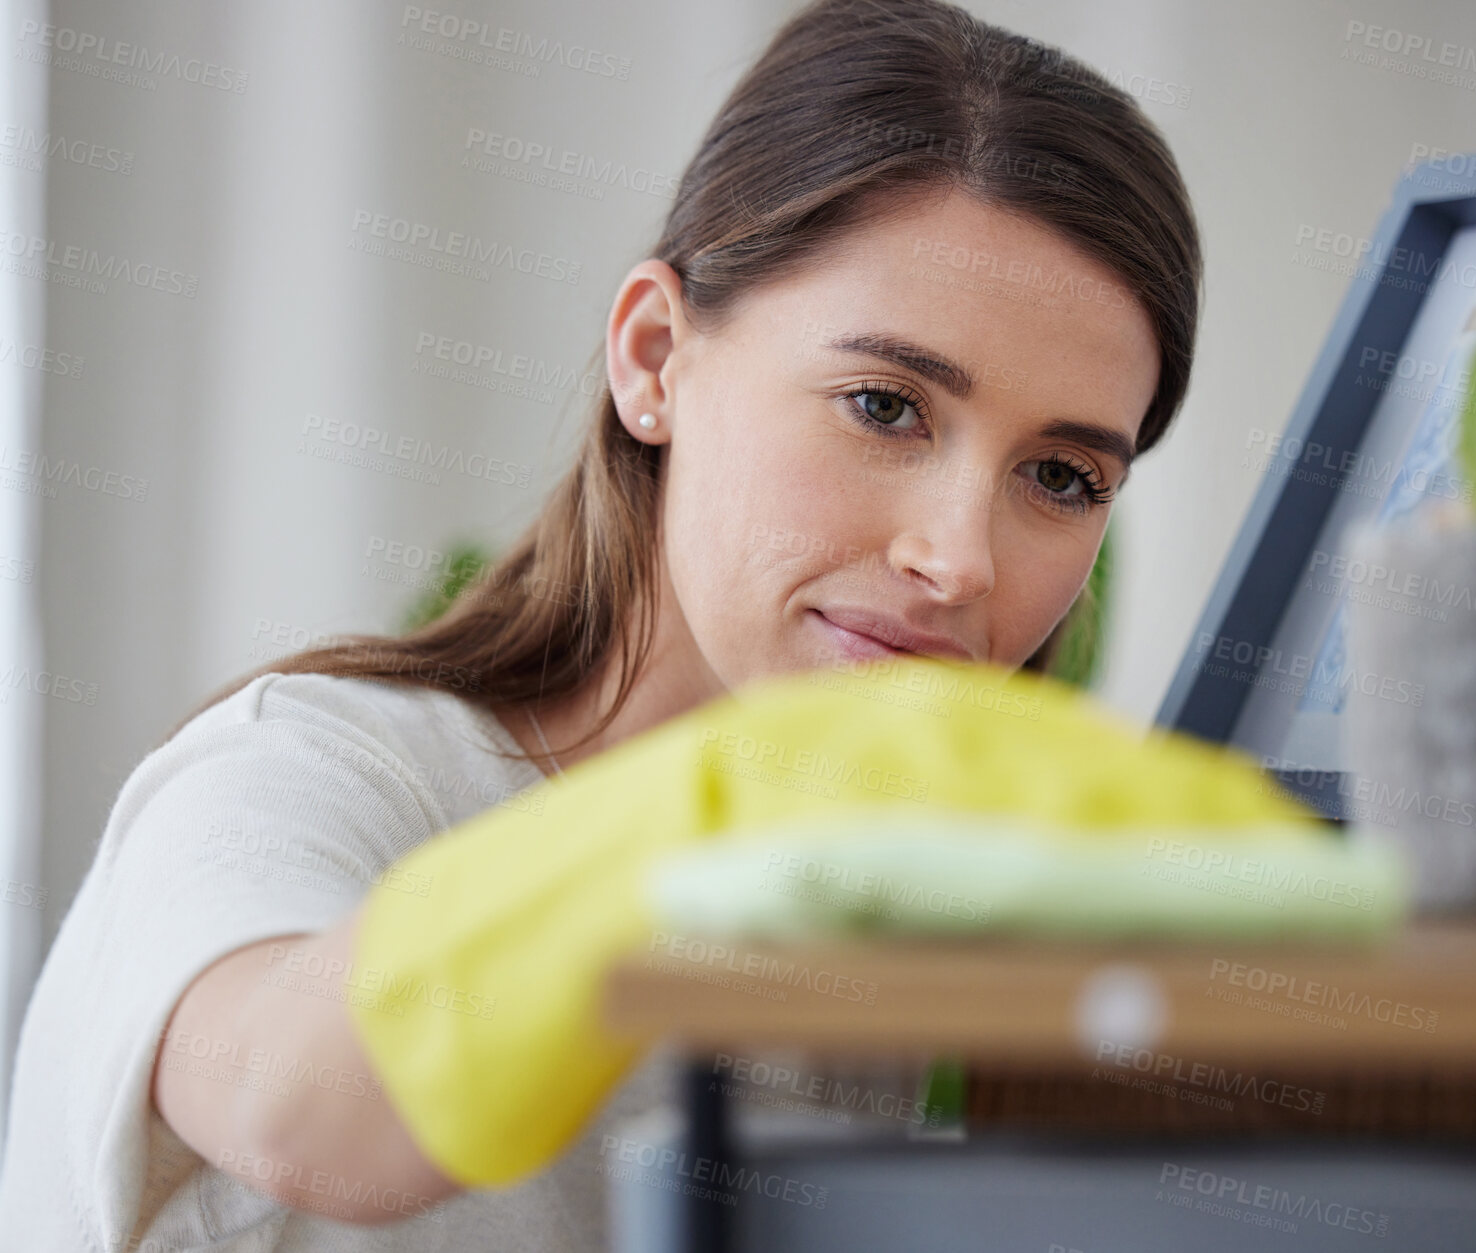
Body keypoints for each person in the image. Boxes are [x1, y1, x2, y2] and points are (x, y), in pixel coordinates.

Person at [0, 0, 1200, 1246]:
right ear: (652, 357)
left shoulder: (863, 930)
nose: (957, 559)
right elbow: (305, 1109)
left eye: (1063, 477)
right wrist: (735, 792)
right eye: (883, 404)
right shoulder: (309, 773)